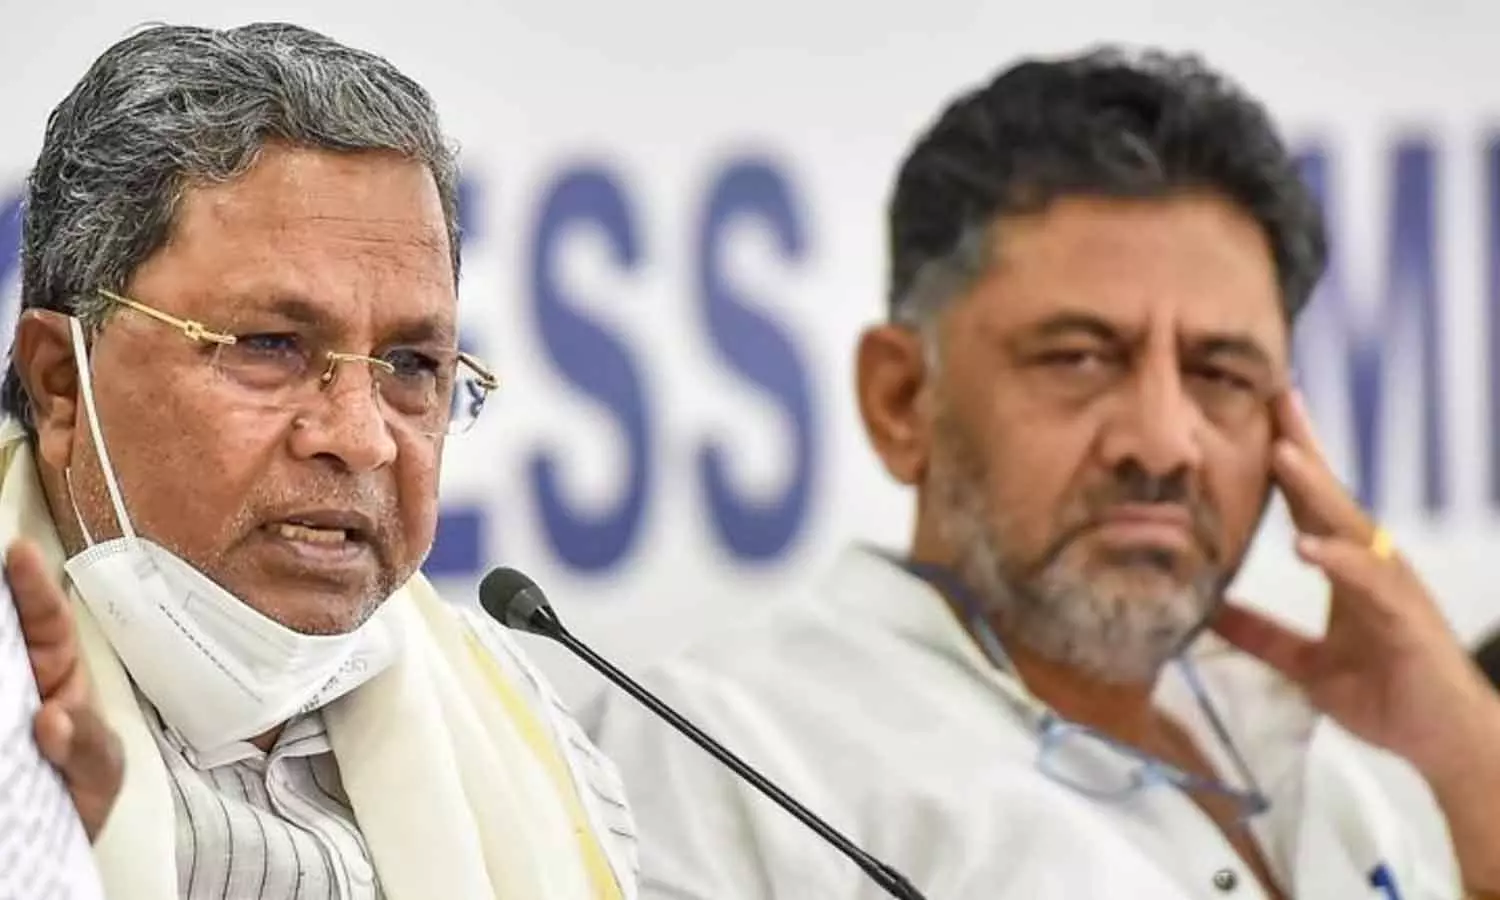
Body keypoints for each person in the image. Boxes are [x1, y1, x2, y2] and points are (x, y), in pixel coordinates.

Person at [585, 48, 1500, 899]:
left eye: (1220, 373)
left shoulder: (1331, 739)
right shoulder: (721, 749)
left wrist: (1473, 772)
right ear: (902, 399)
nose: (1163, 443)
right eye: (1079, 358)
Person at [1, 22, 638, 900]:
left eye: (410, 364)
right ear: (61, 383)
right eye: (270, 345)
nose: (362, 436)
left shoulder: (517, 727)